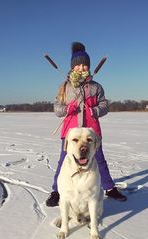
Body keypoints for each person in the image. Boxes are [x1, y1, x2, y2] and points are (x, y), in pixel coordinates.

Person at [46, 42, 127, 207]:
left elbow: (105, 106)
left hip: (91, 132)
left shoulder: (96, 87)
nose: (81, 68)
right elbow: (57, 109)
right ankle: (56, 191)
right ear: (72, 67)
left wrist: (95, 111)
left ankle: (109, 188)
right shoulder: (65, 87)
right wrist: (69, 108)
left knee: (99, 160)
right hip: (71, 133)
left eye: (84, 65)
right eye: (78, 65)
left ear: (88, 67)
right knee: (64, 162)